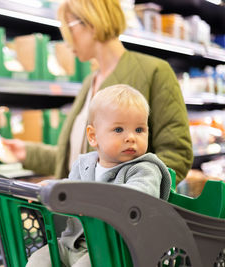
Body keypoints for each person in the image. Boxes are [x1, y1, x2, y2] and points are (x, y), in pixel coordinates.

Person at [4, 0, 193, 183]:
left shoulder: (155, 72)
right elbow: (79, 156)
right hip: (79, 209)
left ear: (91, 22)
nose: (66, 40)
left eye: (69, 28)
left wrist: (128, 195)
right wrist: (26, 152)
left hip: (118, 212)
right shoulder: (90, 81)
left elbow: (177, 156)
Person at [25, 84, 172, 267]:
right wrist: (55, 188)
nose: (131, 137)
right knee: (39, 259)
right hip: (73, 244)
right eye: (119, 130)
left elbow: (137, 198)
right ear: (93, 136)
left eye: (139, 130)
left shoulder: (145, 169)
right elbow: (71, 190)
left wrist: (85, 197)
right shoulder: (84, 164)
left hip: (118, 251)